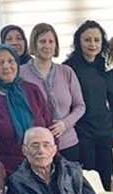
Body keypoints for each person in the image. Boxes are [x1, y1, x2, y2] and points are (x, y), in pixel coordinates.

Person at [0, 44, 53, 176]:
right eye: (0, 63)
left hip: (43, 164)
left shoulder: (32, 90)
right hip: (8, 170)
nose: (6, 66)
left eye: (11, 61)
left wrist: (52, 159)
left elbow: (49, 127)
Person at [21, 22, 87, 161]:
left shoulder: (66, 71)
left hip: (68, 142)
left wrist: (65, 124)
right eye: (42, 41)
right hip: (38, 147)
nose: (47, 46)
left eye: (51, 41)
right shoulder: (21, 73)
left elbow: (80, 106)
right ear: (34, 43)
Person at [64, 21, 113, 190]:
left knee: (106, 177)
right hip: (83, 131)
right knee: (88, 180)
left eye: (96, 40)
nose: (92, 44)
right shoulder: (69, 67)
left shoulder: (102, 63)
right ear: (79, 41)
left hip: (105, 129)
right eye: (87, 40)